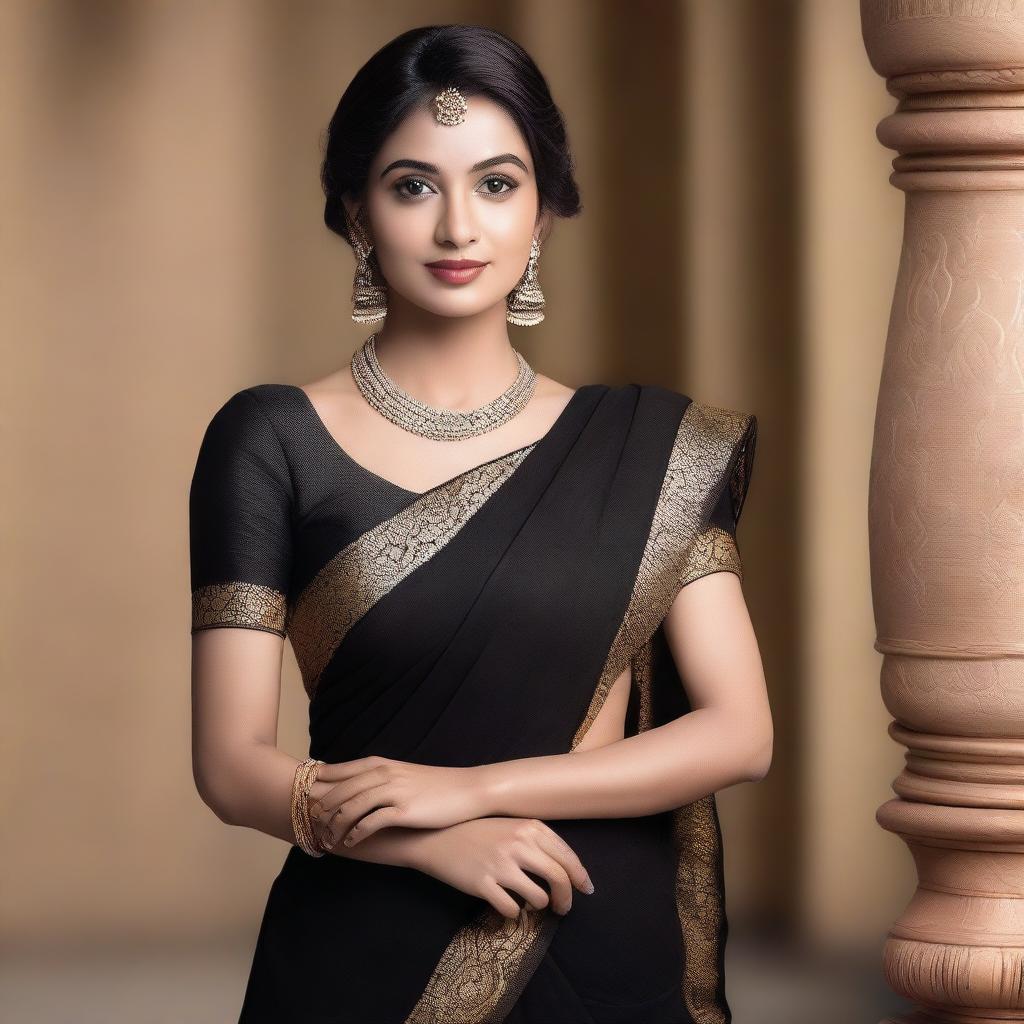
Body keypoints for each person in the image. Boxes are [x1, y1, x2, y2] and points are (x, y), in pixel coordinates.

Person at [188, 23, 771, 1024]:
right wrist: (425, 838)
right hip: (363, 948)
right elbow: (232, 762)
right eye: (413, 186)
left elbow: (737, 731)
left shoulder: (647, 450)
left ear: (543, 215)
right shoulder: (271, 438)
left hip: (595, 931)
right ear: (355, 215)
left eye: (497, 185)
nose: (459, 226)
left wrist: (466, 791)